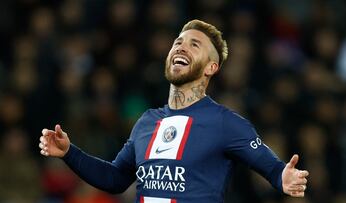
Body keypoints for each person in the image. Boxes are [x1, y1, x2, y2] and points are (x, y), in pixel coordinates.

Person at [39, 19, 309, 203]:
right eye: (178, 41)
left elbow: (272, 168)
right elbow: (116, 178)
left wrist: (282, 177)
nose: (181, 46)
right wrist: (69, 153)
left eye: (195, 44)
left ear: (210, 67)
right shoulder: (146, 122)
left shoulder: (226, 123)